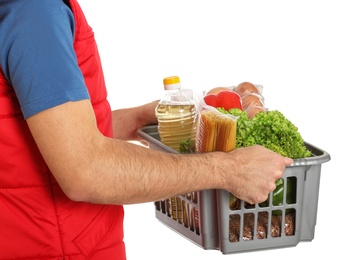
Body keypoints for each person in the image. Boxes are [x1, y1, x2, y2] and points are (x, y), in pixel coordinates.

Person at [0, 0, 293, 259]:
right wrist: (228, 170)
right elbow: (85, 170)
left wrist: (136, 118)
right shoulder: (35, 11)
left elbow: (48, 138)